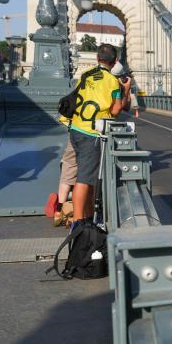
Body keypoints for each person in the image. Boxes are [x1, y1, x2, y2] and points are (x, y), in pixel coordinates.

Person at [67, 43, 130, 225]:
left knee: (88, 176)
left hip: (76, 128)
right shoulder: (111, 81)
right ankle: (78, 224)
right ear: (115, 61)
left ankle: (86, 218)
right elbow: (116, 110)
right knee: (84, 179)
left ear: (97, 58)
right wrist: (125, 89)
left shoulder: (85, 74)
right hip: (91, 132)